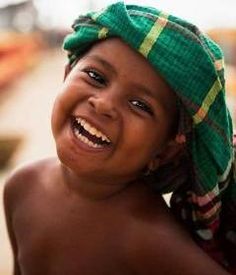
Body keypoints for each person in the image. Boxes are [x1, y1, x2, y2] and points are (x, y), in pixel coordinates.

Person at [3, 2, 236, 274]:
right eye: (95, 76)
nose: (103, 104)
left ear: (167, 149)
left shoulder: (150, 240)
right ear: (66, 75)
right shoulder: (20, 186)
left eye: (140, 105)